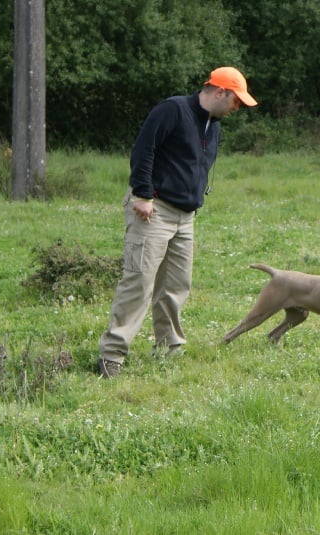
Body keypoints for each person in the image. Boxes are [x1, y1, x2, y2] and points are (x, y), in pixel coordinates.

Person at [97, 66, 257, 378]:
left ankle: (168, 349)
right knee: (139, 281)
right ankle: (112, 355)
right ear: (220, 92)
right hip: (154, 209)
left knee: (176, 286)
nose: (238, 107)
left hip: (186, 217)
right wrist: (142, 194)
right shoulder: (173, 110)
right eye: (236, 100)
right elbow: (144, 150)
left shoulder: (214, 125)